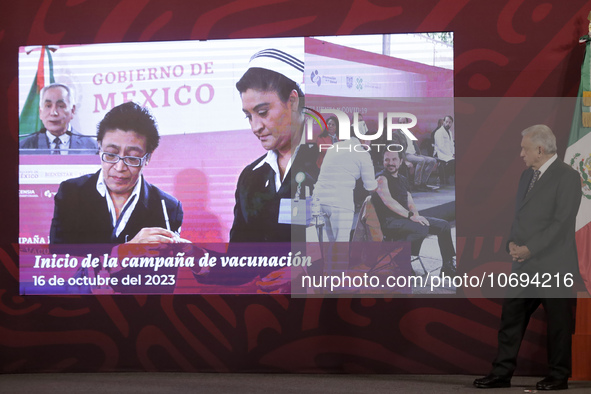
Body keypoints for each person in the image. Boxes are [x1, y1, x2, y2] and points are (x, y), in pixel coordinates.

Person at [473, 125, 582, 391]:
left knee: (558, 325)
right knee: (511, 319)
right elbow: (519, 216)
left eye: (525, 148)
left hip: (554, 265)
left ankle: (558, 377)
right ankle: (501, 374)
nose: (521, 153)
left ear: (540, 149)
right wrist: (511, 243)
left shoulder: (568, 176)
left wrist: (530, 248)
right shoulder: (526, 176)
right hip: (523, 264)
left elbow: (562, 223)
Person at [49, 101, 183, 244]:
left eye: (132, 158)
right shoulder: (71, 193)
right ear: (99, 147)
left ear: (148, 157)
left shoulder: (167, 207)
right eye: (111, 154)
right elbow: (59, 260)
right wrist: (123, 253)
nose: (119, 167)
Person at [230, 48, 319, 243]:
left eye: (262, 112)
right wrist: (199, 259)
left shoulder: (330, 164)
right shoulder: (250, 177)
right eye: (248, 116)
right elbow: (237, 261)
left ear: (293, 101)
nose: (255, 127)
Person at [372, 150, 456, 275]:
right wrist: (411, 216)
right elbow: (388, 201)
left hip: (404, 219)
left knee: (443, 225)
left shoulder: (402, 179)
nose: (390, 163)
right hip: (388, 222)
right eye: (387, 160)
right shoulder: (381, 178)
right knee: (420, 228)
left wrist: (416, 215)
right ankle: (401, 260)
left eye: (394, 159)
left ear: (401, 161)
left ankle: (447, 267)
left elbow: (409, 201)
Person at [314, 137, 377, 243]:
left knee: (324, 247)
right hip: (340, 202)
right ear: (364, 139)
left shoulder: (334, 147)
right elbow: (370, 186)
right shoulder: (362, 154)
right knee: (340, 247)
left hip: (318, 199)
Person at [19, 83, 98, 154]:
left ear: (72, 110)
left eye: (60, 106)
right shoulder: (24, 147)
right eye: (48, 106)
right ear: (40, 112)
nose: (54, 112)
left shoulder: (91, 147)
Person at [395, 117, 437, 191]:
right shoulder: (396, 134)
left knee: (432, 160)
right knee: (421, 160)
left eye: (404, 122)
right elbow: (398, 149)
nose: (402, 124)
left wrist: (419, 154)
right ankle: (417, 184)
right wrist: (405, 161)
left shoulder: (410, 133)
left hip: (415, 154)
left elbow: (415, 145)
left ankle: (423, 182)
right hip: (406, 155)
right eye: (400, 123)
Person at [432, 115, 455, 184]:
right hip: (440, 153)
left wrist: (453, 153)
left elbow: (451, 144)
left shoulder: (450, 132)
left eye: (450, 122)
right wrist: (450, 155)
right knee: (452, 161)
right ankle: (443, 177)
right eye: (446, 122)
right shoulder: (439, 132)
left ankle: (447, 177)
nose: (448, 124)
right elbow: (440, 147)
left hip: (448, 153)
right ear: (443, 122)